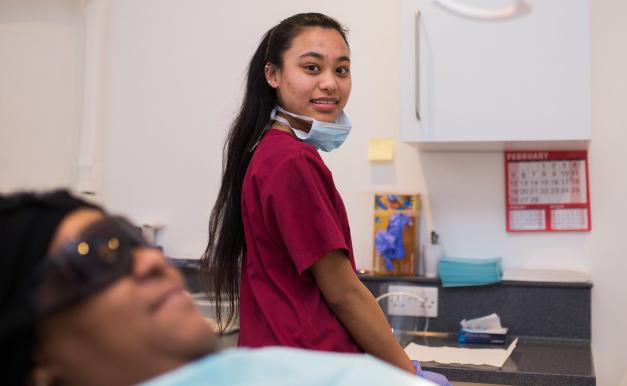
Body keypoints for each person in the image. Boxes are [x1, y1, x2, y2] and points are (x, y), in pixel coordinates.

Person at [201, 12, 450, 385]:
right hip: (309, 364)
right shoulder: (291, 160)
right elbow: (343, 292)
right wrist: (407, 374)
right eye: (312, 67)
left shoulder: (268, 151)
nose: (330, 84)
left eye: (342, 70)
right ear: (272, 75)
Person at [0, 190, 436, 386]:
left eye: (131, 240)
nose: (152, 260)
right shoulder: (288, 162)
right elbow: (343, 290)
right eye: (98, 256)